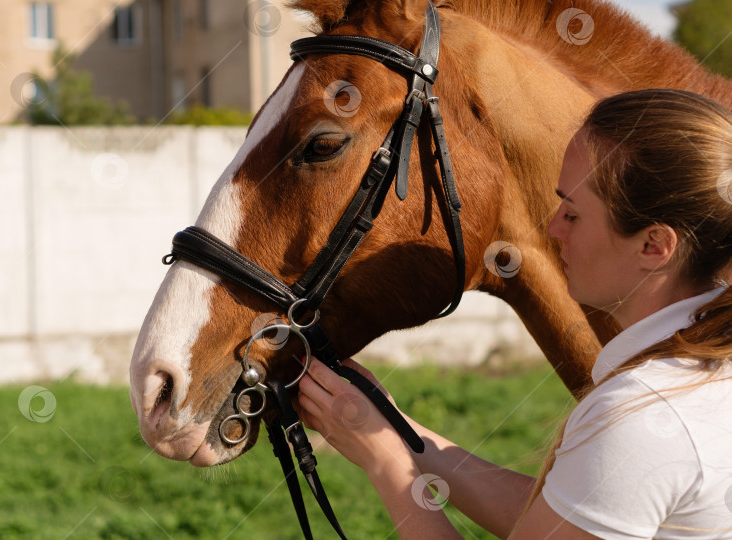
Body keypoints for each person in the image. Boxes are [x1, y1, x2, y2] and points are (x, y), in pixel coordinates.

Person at [296, 88, 732, 539]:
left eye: (575, 214)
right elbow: (570, 517)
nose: (553, 226)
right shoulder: (703, 372)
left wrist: (384, 460)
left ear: (653, 246)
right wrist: (400, 428)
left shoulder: (642, 415)